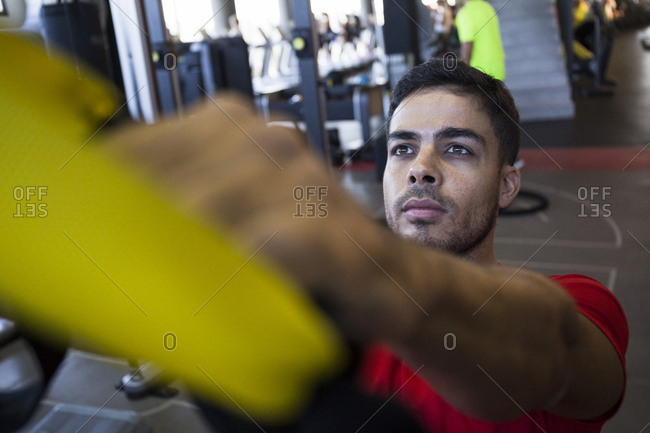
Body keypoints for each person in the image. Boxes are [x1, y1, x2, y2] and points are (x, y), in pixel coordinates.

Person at [104, 59, 628, 432]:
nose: (421, 168)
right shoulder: (321, 322)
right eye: (403, 149)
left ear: (507, 185)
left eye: (457, 149)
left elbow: (556, 352)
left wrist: (370, 266)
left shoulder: (578, 303)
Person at [455, 0, 505, 80]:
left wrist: (460, 75)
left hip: (480, 73)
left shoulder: (465, 13)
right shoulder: (487, 7)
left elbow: (467, 46)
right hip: (497, 68)